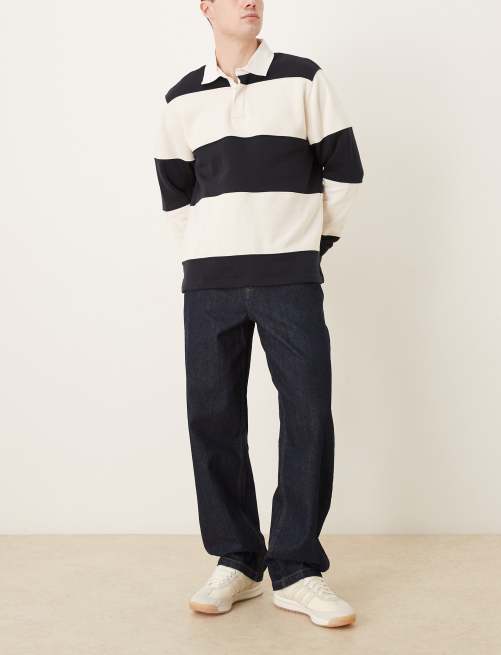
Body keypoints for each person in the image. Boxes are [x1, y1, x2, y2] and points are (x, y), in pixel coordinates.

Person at [153, 0, 364, 628]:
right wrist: (204, 253)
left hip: (289, 278)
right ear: (205, 6)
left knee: (307, 412)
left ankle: (297, 569)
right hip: (210, 284)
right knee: (213, 415)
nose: (250, 0)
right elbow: (175, 195)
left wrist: (305, 246)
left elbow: (345, 171)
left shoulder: (303, 78)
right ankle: (238, 560)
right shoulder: (181, 99)